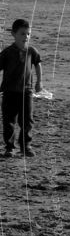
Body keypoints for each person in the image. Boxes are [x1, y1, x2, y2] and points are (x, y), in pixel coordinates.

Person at [0, 18, 43, 157]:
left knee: (27, 121)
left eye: (28, 34)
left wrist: (39, 82)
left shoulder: (31, 51)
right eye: (22, 34)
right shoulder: (7, 52)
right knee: (9, 121)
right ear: (13, 34)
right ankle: (10, 147)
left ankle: (26, 146)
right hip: (9, 92)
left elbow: (38, 65)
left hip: (27, 92)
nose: (26, 37)